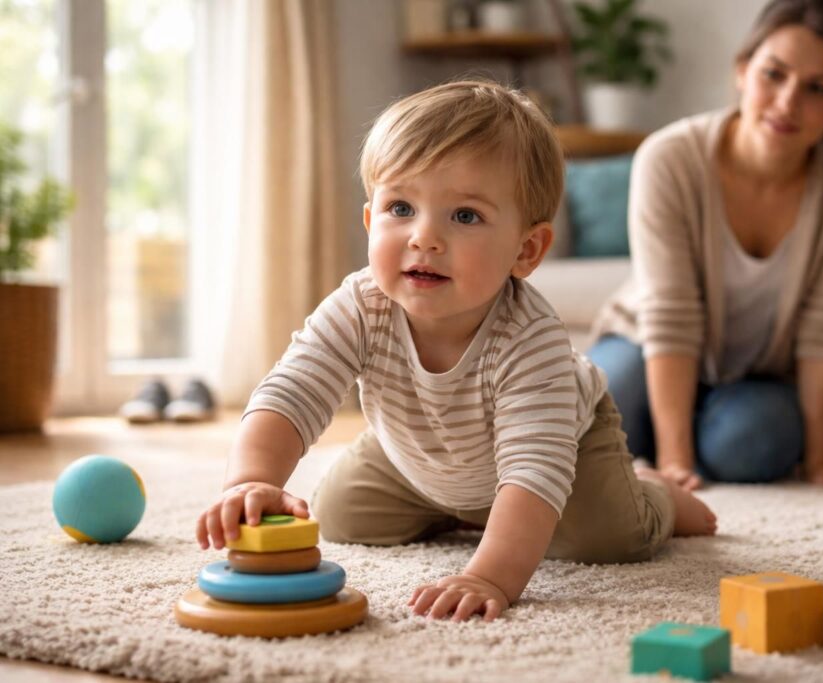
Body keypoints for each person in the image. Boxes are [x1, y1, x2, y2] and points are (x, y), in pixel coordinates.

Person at [194, 81, 717, 623]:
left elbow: (534, 470)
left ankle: (655, 493)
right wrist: (251, 481)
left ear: (526, 249)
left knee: (608, 537)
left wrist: (488, 574)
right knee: (340, 515)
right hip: (417, 447)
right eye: (401, 207)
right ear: (371, 221)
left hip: (561, 449)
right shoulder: (360, 305)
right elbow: (291, 392)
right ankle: (460, 506)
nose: (424, 237)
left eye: (464, 216)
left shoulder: (530, 339)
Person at [589, 0, 823, 491]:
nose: (787, 102)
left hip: (759, 376)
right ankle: (663, 443)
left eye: (818, 88)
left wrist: (819, 465)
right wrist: (675, 465)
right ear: (742, 70)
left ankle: (666, 444)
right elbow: (670, 313)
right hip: (646, 344)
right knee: (596, 407)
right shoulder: (669, 157)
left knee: (755, 444)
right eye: (774, 74)